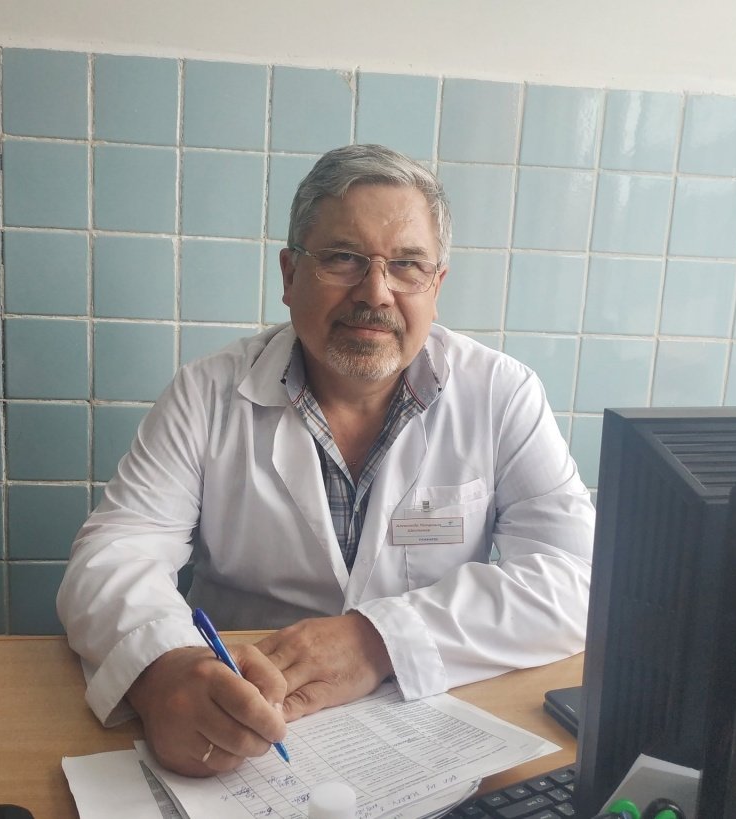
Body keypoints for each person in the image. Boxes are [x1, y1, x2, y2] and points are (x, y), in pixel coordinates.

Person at [56, 143, 595, 778]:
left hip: (428, 720)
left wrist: (378, 639)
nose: (376, 293)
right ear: (289, 275)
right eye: (342, 259)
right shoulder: (206, 394)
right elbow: (113, 555)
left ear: (437, 285)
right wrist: (165, 669)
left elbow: (580, 578)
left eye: (407, 265)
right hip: (244, 720)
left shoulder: (502, 394)